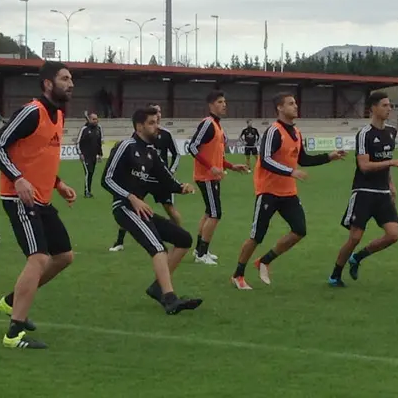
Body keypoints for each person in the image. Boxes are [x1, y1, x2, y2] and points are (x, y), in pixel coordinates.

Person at [0, 61, 77, 350]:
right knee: (38, 258)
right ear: (47, 84)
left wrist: (59, 183)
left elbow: (39, 156)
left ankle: (13, 301)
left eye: (71, 78)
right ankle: (14, 333)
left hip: (43, 197)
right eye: (64, 78)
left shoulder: (59, 116)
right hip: (19, 197)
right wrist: (17, 179)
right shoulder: (32, 112)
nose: (71, 83)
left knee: (64, 256)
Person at [231, 93, 346, 289]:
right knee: (257, 235)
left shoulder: (297, 133)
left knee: (300, 230)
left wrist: (329, 157)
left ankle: (264, 260)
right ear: (280, 108)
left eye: (295, 103)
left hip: (288, 192)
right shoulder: (273, 132)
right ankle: (238, 274)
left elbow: (304, 159)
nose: (295, 106)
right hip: (268, 191)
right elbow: (265, 160)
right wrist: (290, 171)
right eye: (291, 104)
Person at [102, 106, 202, 314]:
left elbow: (164, 178)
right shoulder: (126, 146)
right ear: (139, 126)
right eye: (152, 123)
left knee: (184, 239)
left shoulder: (151, 153)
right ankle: (170, 298)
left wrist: (180, 187)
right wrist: (131, 198)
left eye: (157, 122)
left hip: (141, 210)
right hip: (124, 208)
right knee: (158, 248)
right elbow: (106, 179)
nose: (157, 127)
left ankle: (158, 286)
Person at [329, 91, 398, 287]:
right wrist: (393, 162)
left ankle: (357, 258)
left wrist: (391, 185)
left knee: (393, 235)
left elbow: (384, 162)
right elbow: (364, 166)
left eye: (390, 105)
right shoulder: (364, 134)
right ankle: (335, 275)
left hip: (382, 193)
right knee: (355, 237)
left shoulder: (391, 132)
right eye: (384, 105)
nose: (389, 109)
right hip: (364, 191)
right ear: (372, 108)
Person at [187, 90, 249, 265]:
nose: (224, 105)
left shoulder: (218, 126)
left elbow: (216, 156)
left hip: (212, 176)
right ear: (211, 105)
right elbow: (192, 147)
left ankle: (199, 250)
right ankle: (202, 253)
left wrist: (231, 166)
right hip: (206, 176)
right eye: (220, 102)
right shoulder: (207, 124)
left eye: (224, 101)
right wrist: (211, 167)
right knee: (215, 213)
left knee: (209, 212)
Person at [110, 103, 181, 251]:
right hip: (142, 178)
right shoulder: (137, 139)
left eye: (159, 112)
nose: (158, 116)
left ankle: (178, 235)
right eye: (154, 116)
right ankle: (119, 241)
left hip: (160, 179)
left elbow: (176, 153)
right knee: (130, 206)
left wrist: (172, 172)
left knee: (170, 208)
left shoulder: (166, 134)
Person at [77, 111, 103, 198]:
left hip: (94, 156)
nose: (95, 121)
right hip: (85, 156)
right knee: (88, 172)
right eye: (93, 119)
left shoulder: (99, 129)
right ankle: (86, 192)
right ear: (89, 119)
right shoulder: (84, 129)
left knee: (91, 173)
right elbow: (78, 142)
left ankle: (89, 191)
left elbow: (99, 143)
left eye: (96, 119)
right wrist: (80, 153)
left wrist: (100, 154)